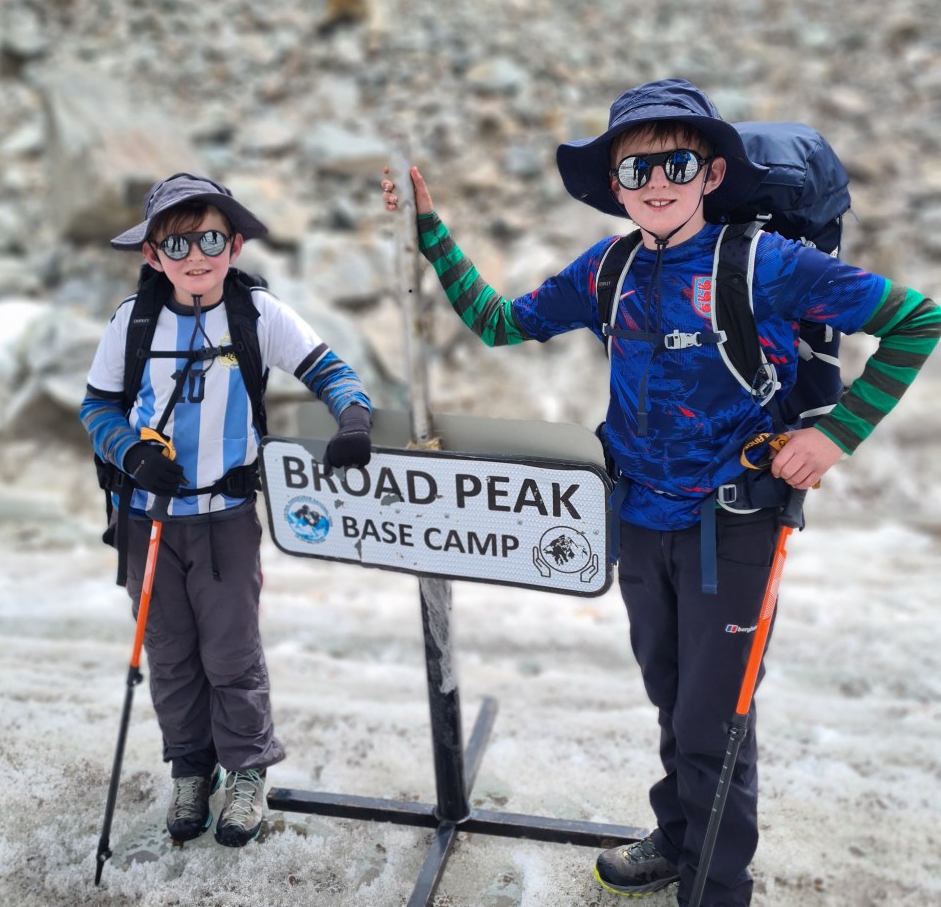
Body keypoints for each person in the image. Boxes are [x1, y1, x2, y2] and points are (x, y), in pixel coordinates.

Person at [381, 79, 940, 906]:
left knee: (717, 723)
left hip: (736, 526)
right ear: (615, 186)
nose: (655, 181)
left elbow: (916, 320)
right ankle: (679, 841)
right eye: (635, 169)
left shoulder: (765, 263)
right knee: (676, 703)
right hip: (638, 521)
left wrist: (834, 435)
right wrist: (429, 235)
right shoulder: (608, 268)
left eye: (675, 161)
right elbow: (502, 323)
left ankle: (715, 890)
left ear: (712, 172)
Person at [82, 173, 373, 847]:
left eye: (210, 237)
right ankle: (191, 769)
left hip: (225, 519)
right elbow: (97, 407)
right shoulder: (133, 321)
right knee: (170, 653)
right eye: (176, 242)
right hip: (145, 519)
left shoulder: (258, 315)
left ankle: (245, 772)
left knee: (231, 653)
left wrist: (352, 422)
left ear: (234, 245)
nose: (195, 255)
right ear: (153, 255)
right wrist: (131, 453)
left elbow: (331, 371)